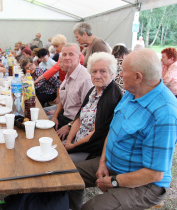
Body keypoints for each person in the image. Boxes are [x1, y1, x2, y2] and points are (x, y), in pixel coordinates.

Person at [68, 49, 177, 210]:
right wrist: (103, 162)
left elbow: (154, 174)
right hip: (112, 165)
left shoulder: (164, 113)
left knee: (91, 208)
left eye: (123, 71)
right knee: (66, 176)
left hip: (145, 185)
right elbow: (112, 131)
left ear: (138, 77)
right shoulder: (133, 92)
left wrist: (113, 181)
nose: (119, 75)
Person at [63, 52, 122, 164]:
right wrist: (69, 141)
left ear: (112, 74)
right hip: (75, 142)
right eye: (94, 71)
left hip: (89, 149)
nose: (97, 75)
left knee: (60, 162)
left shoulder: (112, 97)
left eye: (103, 71)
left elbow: (97, 133)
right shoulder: (93, 90)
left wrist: (72, 146)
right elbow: (79, 118)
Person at [50, 43, 93, 132]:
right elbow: (63, 101)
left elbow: (88, 112)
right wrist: (55, 116)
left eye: (71, 54)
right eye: (64, 54)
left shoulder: (85, 79)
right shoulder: (68, 73)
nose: (66, 57)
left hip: (76, 124)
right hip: (64, 117)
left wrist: (69, 127)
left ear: (79, 57)